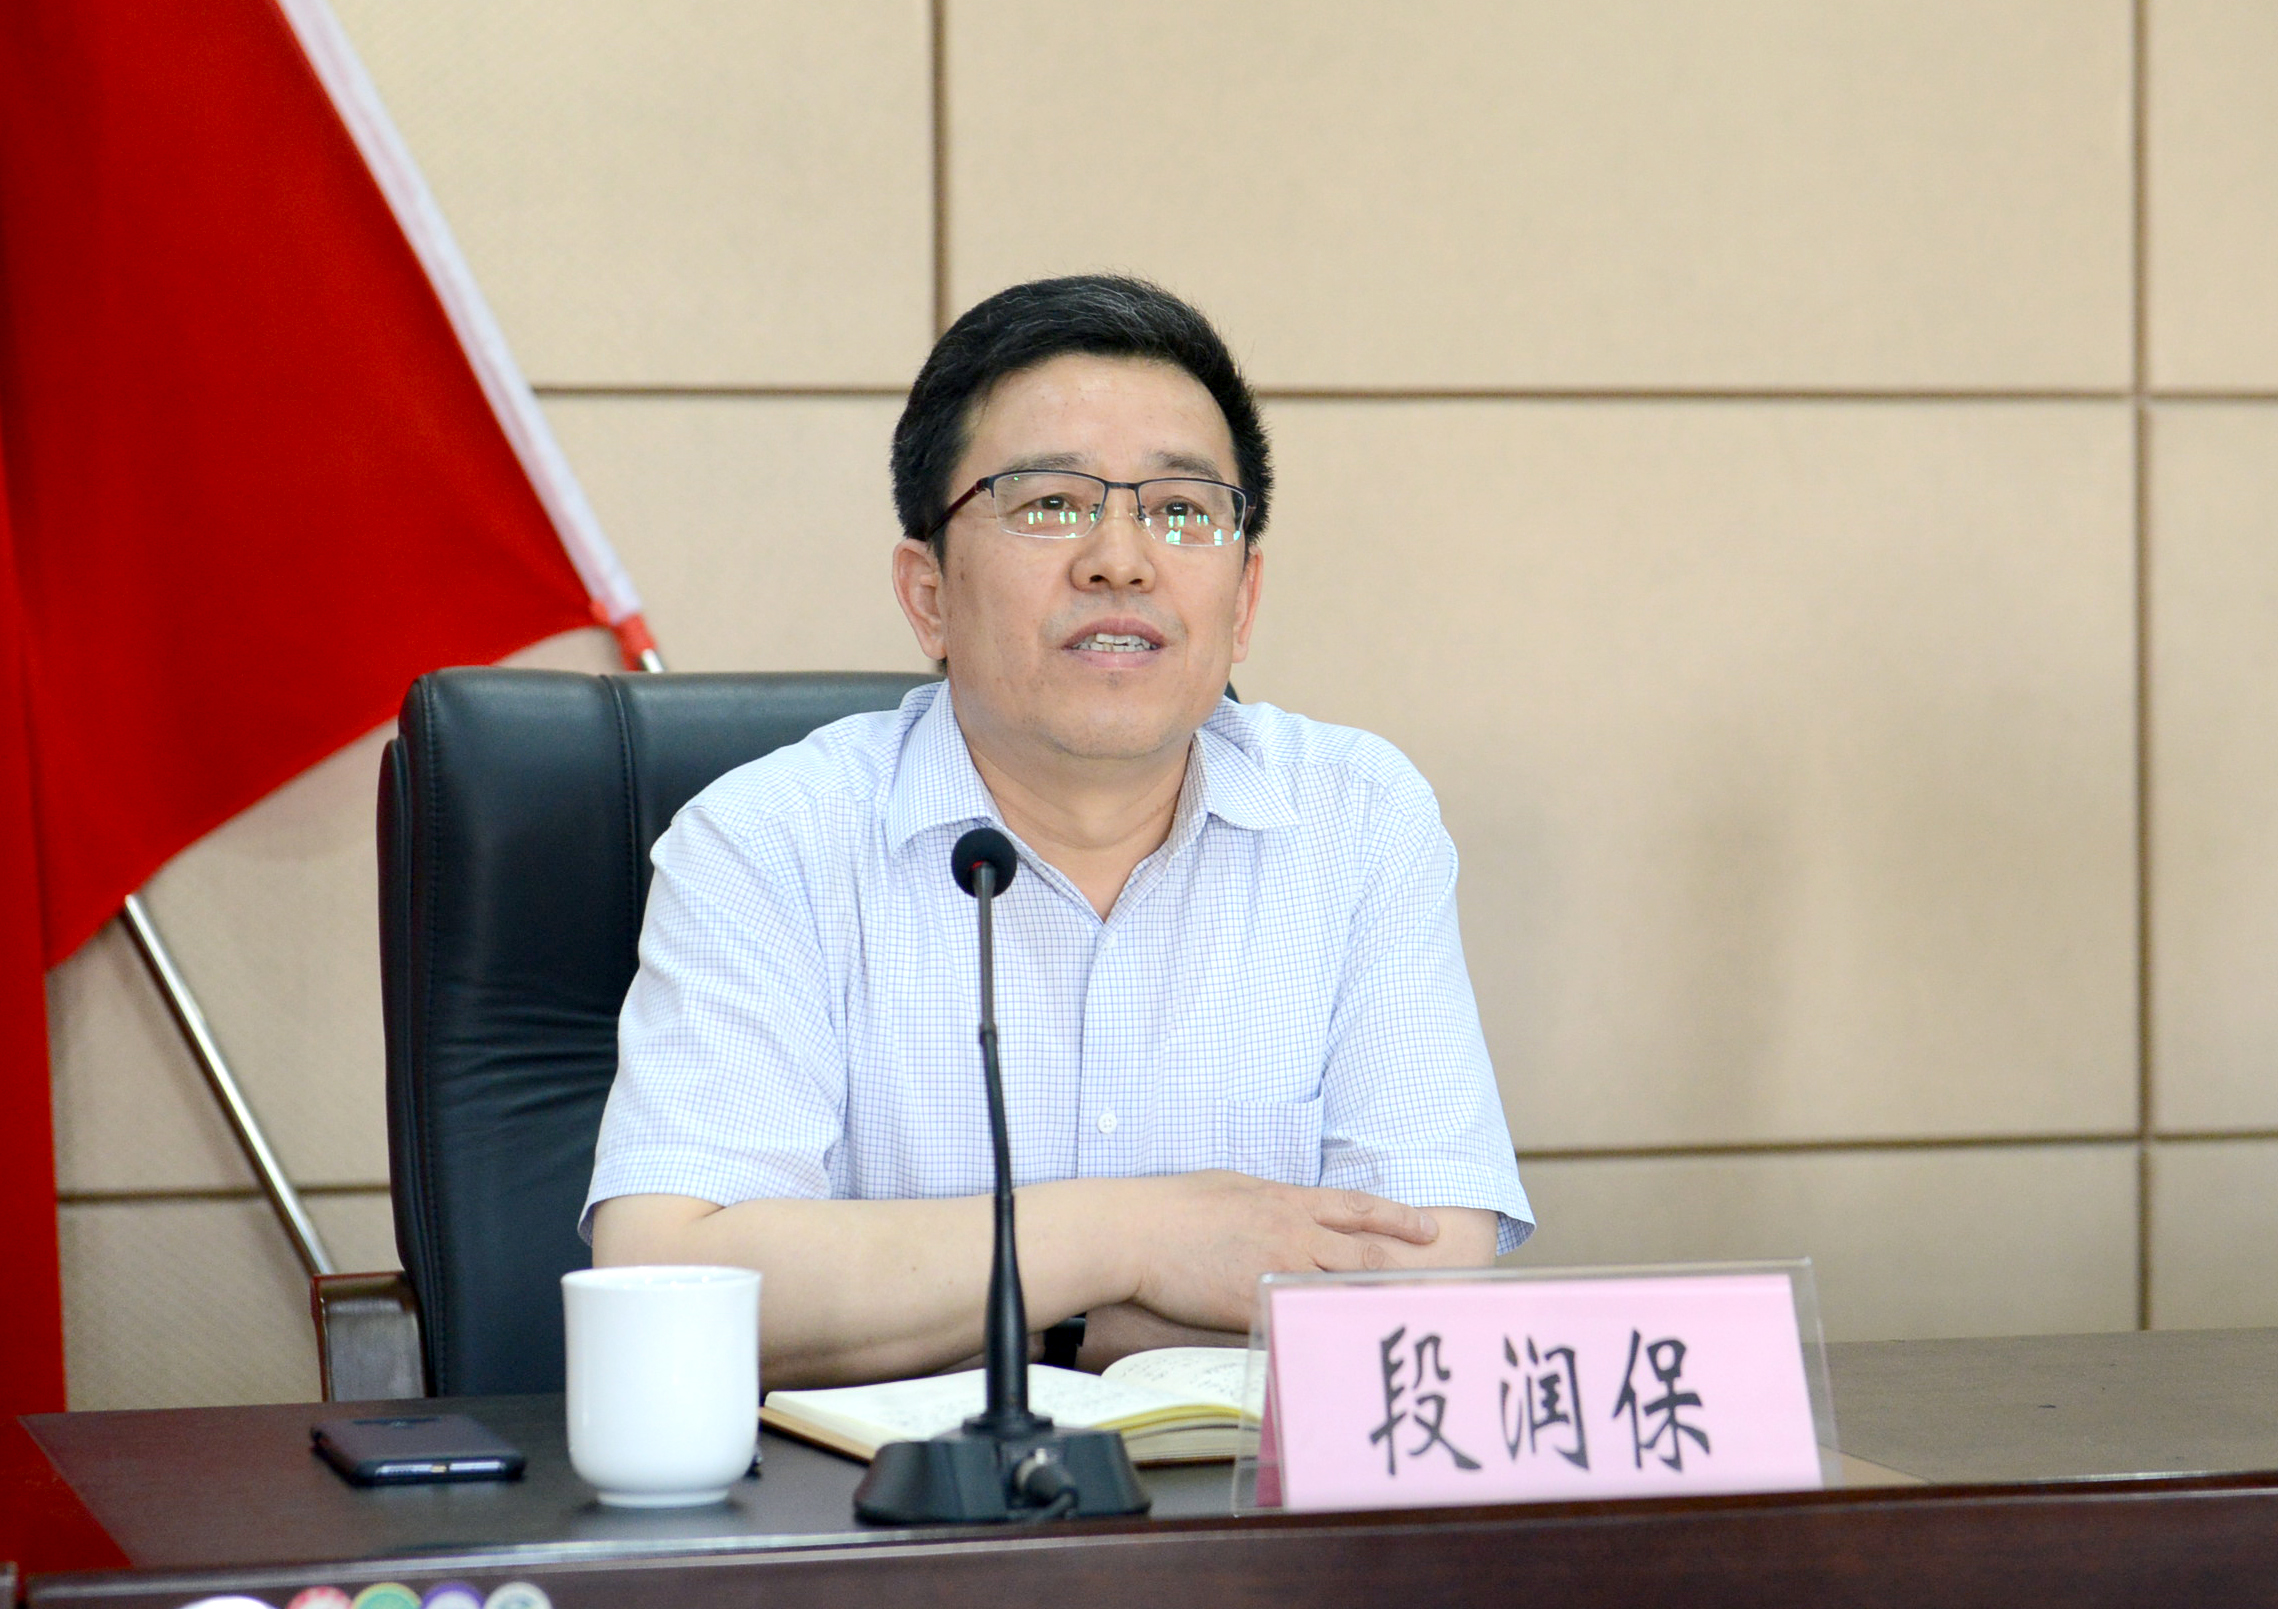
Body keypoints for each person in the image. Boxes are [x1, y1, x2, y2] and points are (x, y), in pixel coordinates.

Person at [585, 275, 1531, 1388]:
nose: (1121, 558)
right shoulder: (767, 843)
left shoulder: (1357, 819)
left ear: (1243, 601)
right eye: (1049, 503)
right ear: (928, 595)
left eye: (1182, 510)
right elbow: (667, 1281)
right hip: (890, 1499)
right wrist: (1141, 1240)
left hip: (1242, 1496)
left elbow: (1421, 1277)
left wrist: (1011, 1315)